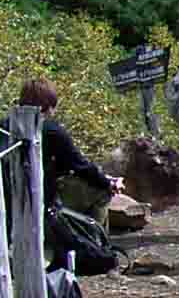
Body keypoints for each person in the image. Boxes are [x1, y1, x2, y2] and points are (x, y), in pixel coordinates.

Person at [17, 78, 123, 218]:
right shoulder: (51, 130)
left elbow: (66, 165)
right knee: (101, 191)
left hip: (8, 194)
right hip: (38, 199)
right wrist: (107, 183)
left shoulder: (2, 126)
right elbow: (80, 166)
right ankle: (94, 237)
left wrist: (104, 176)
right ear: (48, 106)